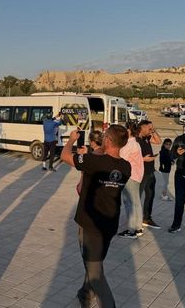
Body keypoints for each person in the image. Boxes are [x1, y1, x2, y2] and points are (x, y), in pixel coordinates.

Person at [61, 124, 131, 308]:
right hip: (109, 224)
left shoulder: (93, 161)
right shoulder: (126, 167)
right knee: (94, 262)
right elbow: (107, 158)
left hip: (90, 225)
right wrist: (96, 151)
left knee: (95, 273)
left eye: (105, 137)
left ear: (107, 140)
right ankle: (85, 294)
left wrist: (71, 140)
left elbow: (64, 156)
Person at [118, 123, 145, 239]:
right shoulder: (135, 143)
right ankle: (138, 227)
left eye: (125, 129)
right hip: (136, 176)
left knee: (129, 203)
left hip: (130, 176)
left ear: (129, 131)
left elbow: (120, 159)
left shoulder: (129, 144)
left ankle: (132, 230)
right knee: (136, 202)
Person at [137, 120, 162, 229]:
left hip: (150, 171)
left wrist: (154, 130)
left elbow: (158, 141)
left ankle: (147, 217)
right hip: (141, 173)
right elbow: (129, 157)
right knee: (137, 197)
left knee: (150, 195)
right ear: (141, 128)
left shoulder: (146, 138)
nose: (150, 130)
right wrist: (144, 159)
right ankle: (135, 219)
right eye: (148, 128)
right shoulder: (135, 140)